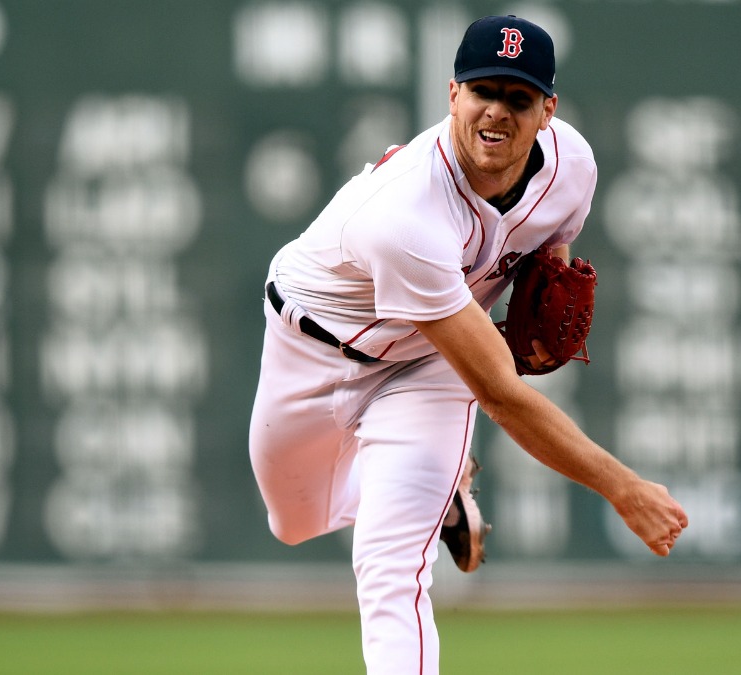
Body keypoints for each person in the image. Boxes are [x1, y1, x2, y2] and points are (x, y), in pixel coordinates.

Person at [248, 15, 688, 674]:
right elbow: (503, 396)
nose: (498, 111)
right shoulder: (408, 214)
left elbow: (548, 248)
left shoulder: (574, 169)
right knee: (294, 520)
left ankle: (423, 486)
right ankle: (438, 489)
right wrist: (623, 488)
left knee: (390, 564)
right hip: (311, 345)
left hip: (433, 360)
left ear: (548, 111)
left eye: (519, 98)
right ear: (452, 94)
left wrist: (550, 277)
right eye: (484, 90)